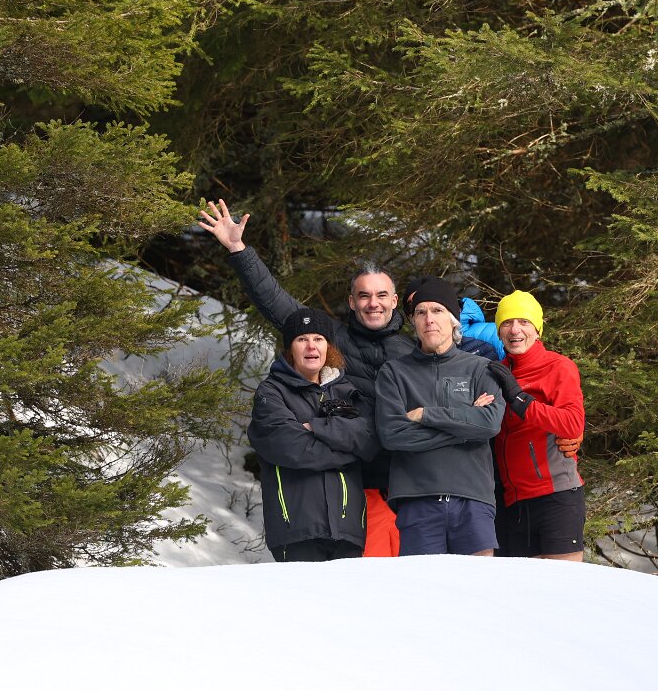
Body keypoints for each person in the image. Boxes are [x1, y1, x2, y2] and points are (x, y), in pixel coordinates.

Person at [198, 199, 413, 556]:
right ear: (352, 302)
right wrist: (238, 249)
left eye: (381, 295)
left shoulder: (412, 351)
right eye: (364, 296)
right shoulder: (331, 340)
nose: (372, 303)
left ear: (394, 301)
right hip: (358, 491)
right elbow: (277, 303)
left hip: (409, 488)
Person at [374, 277, 506, 555]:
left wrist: (426, 415)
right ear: (414, 321)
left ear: (453, 320)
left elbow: (490, 424)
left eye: (437, 310)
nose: (429, 319)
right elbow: (393, 434)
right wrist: (465, 425)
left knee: (479, 582)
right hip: (416, 499)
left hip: (473, 498)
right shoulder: (394, 373)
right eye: (421, 312)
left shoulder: (482, 368)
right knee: (423, 584)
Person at [248, 308, 380, 562]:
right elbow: (293, 449)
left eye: (318, 339)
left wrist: (317, 428)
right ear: (290, 348)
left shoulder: (347, 391)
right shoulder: (271, 393)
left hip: (348, 530)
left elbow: (370, 439)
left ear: (328, 347)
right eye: (302, 339)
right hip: (296, 529)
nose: (311, 346)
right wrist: (350, 449)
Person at [487, 290, 587, 561]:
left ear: (538, 329)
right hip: (514, 501)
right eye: (507, 322)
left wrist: (521, 401)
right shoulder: (495, 372)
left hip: (557, 494)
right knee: (525, 586)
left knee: (562, 582)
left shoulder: (558, 366)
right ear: (498, 331)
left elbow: (572, 423)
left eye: (524, 322)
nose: (515, 329)